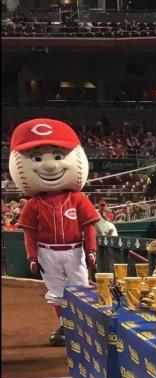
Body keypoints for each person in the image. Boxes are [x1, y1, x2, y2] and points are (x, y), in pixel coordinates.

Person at [9, 118, 100, 346]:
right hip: (47, 251)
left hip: (74, 250)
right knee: (57, 291)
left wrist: (91, 250)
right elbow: (29, 232)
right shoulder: (33, 203)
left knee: (81, 288)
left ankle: (84, 325)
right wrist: (31, 256)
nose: (50, 166)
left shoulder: (77, 198)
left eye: (58, 156)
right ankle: (65, 326)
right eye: (37, 159)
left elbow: (88, 226)